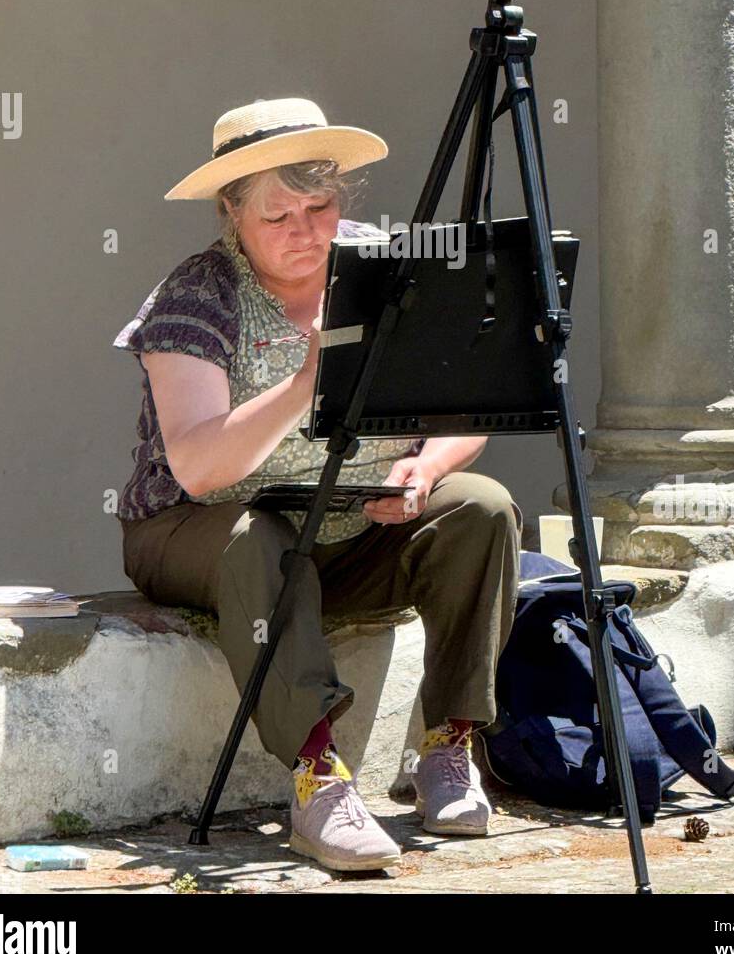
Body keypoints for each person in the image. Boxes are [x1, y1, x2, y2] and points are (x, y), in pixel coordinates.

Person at [112, 96, 522, 872]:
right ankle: (316, 778)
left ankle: (447, 747)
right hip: (197, 532)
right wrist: (309, 378)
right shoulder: (197, 297)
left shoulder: (386, 261)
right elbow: (200, 467)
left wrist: (425, 466)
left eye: (320, 206)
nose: (305, 231)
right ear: (232, 213)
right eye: (277, 216)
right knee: (252, 537)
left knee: (481, 507)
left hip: (350, 527)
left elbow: (473, 402)